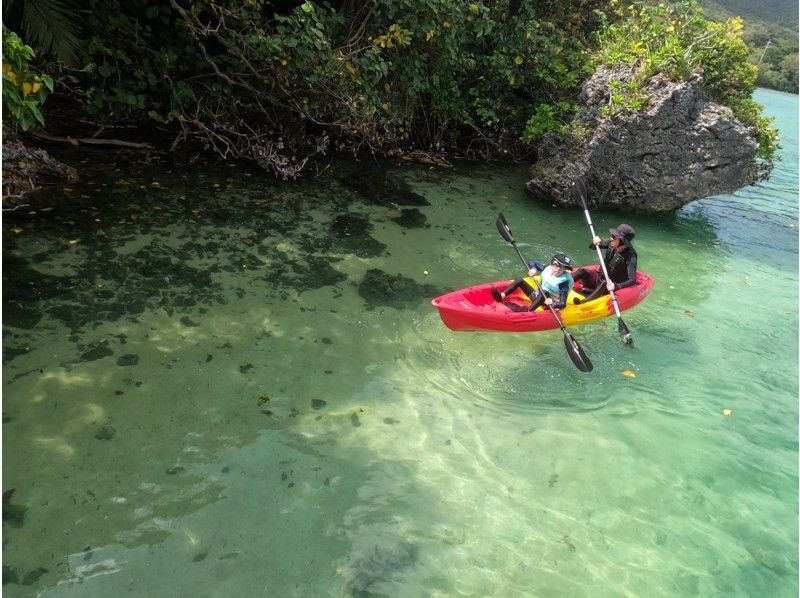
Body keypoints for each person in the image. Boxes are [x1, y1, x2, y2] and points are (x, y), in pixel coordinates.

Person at [571, 223, 637, 304]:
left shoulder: (631, 256)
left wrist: (616, 286)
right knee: (582, 271)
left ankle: (583, 302)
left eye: (614, 237)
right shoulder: (611, 243)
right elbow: (592, 247)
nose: (611, 238)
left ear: (622, 241)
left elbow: (632, 280)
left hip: (608, 285)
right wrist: (594, 242)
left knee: (604, 283)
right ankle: (559, 285)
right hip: (599, 278)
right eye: (612, 235)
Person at [491, 253, 574, 311]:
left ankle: (528, 310)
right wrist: (534, 268)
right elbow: (532, 263)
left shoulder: (563, 283)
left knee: (544, 292)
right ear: (551, 263)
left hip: (548, 303)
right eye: (556, 264)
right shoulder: (548, 268)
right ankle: (501, 296)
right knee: (519, 280)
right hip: (538, 295)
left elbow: (563, 304)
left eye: (563, 267)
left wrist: (553, 304)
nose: (558, 268)